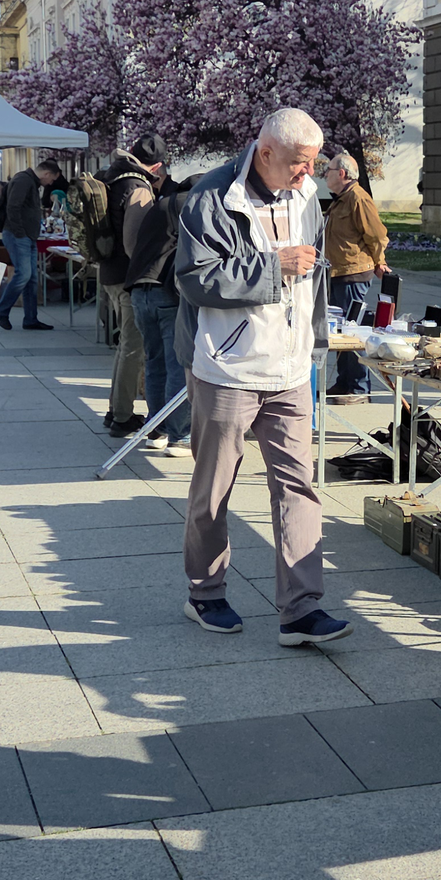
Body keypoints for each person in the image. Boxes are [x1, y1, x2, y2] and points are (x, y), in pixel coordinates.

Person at [175, 107, 350, 647]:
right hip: (227, 369)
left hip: (291, 370)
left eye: (314, 162)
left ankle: (301, 610)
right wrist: (275, 267)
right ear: (265, 151)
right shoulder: (210, 197)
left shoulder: (307, 194)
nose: (310, 173)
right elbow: (195, 279)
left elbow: (312, 276)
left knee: (299, 487)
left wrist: (315, 344)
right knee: (214, 489)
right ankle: (204, 593)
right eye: (300, 162)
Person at [123, 135, 190, 458]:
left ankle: (156, 429)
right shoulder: (190, 207)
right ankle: (179, 436)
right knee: (178, 364)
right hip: (166, 293)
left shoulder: (159, 204)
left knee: (154, 362)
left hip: (139, 290)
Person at [98, 141, 157, 437]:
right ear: (156, 165)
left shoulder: (111, 176)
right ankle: (122, 417)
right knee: (133, 347)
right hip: (127, 277)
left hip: (109, 272)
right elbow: (134, 242)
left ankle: (115, 410)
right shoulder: (138, 186)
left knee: (124, 346)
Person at [321, 145, 388, 404]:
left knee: (352, 334)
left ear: (342, 173)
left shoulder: (358, 198)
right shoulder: (342, 198)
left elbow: (377, 235)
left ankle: (359, 388)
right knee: (339, 334)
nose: (325, 174)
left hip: (353, 274)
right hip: (338, 273)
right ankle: (344, 382)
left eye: (328, 170)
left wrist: (380, 261)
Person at [0, 158, 56, 330]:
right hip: (18, 235)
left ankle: (30, 318)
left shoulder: (31, 182)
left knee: (31, 278)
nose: (50, 183)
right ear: (46, 174)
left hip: (28, 235)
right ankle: (2, 310)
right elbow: (13, 207)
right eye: (51, 179)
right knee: (23, 275)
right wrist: (20, 232)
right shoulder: (23, 180)